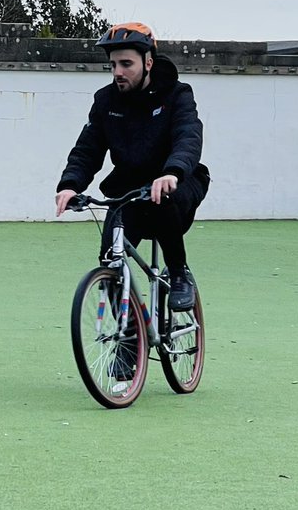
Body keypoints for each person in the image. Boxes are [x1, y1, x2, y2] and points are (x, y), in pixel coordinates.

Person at [54, 22, 211, 314]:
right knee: (109, 261)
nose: (118, 72)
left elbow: (188, 137)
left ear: (148, 62)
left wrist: (172, 172)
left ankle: (178, 273)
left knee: (162, 196)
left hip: (178, 184)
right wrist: (70, 184)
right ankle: (128, 343)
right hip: (129, 190)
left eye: (126, 64)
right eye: (113, 65)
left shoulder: (178, 95)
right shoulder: (105, 101)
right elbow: (88, 148)